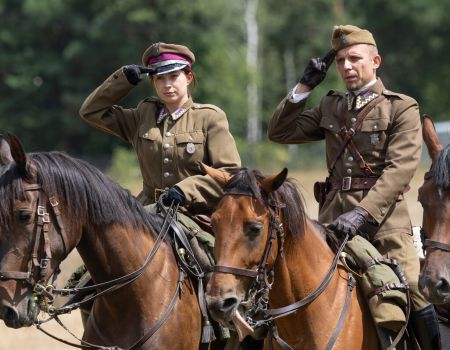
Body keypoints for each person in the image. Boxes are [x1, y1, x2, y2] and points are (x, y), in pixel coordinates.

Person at [268, 24, 440, 349]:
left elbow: (399, 170)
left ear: (376, 61)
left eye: (355, 58)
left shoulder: (401, 107)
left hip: (385, 229)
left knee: (415, 291)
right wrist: (304, 86)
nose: (346, 66)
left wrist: (362, 213)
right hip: (331, 226)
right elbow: (279, 132)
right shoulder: (331, 106)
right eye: (341, 61)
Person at [79, 42, 241, 215]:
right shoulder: (143, 115)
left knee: (207, 243)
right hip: (147, 213)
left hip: (195, 213)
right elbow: (91, 111)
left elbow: (228, 174)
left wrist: (185, 191)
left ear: (188, 78)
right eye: (160, 78)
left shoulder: (209, 117)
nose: (167, 84)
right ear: (153, 82)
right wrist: (123, 80)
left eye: (173, 76)